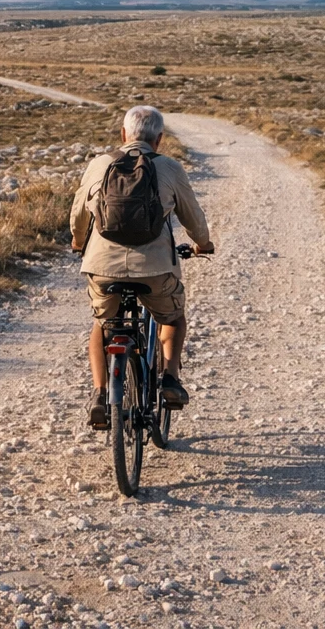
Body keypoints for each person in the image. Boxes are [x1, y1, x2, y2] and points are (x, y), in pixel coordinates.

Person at [70, 105, 213, 429]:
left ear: (123, 135)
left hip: (102, 267)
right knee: (173, 317)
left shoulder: (99, 165)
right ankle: (170, 379)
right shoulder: (169, 167)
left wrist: (79, 242)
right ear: (159, 139)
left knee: (103, 322)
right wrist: (203, 244)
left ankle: (99, 394)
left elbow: (79, 213)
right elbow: (193, 217)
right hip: (156, 268)